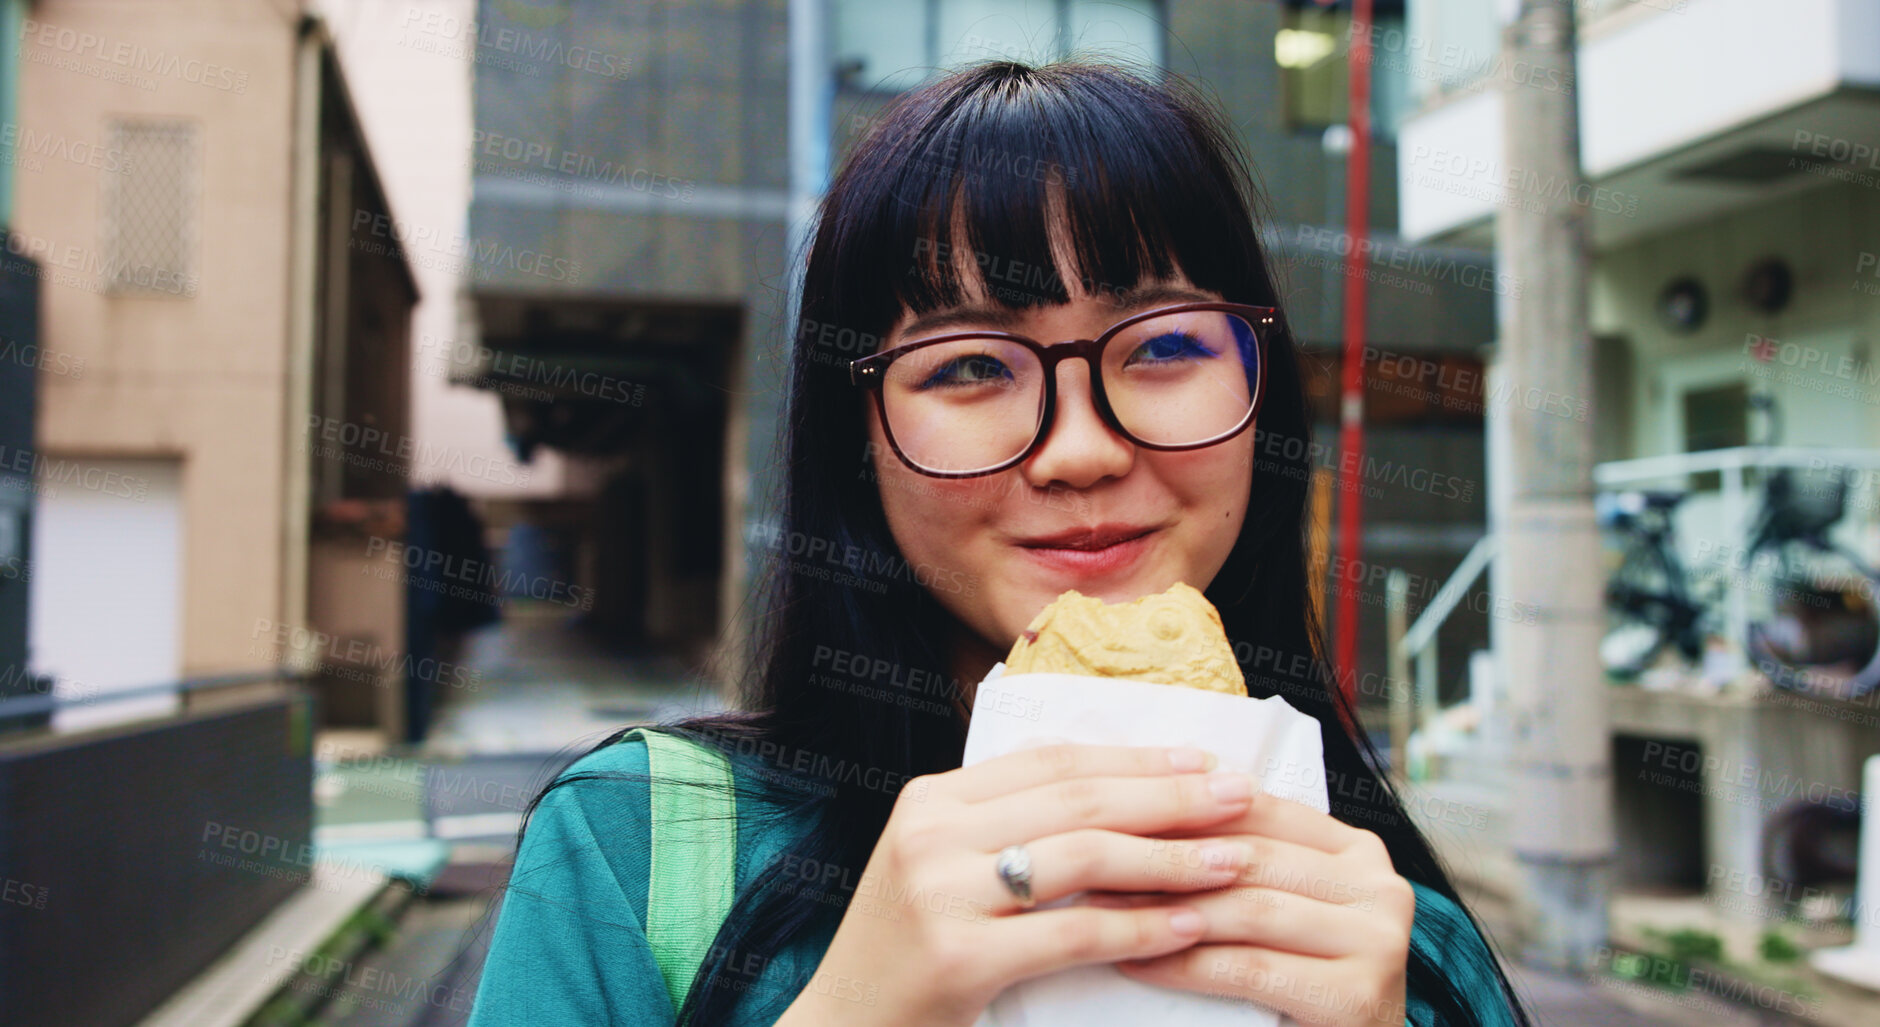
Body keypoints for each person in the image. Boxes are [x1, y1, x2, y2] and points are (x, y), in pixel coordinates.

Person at [466, 60, 1531, 1027]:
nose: (1080, 450)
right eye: (970, 366)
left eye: (1164, 343)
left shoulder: (1399, 943)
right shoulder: (637, 850)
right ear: (859, 441)